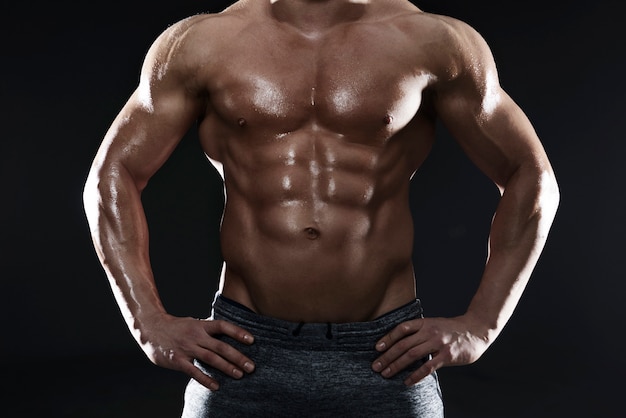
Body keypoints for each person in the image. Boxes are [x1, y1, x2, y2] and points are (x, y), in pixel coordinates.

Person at [83, 0, 559, 416]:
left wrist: (481, 325)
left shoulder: (433, 42)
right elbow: (111, 176)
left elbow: (531, 174)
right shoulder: (201, 43)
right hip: (242, 354)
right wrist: (147, 322)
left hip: (386, 356)